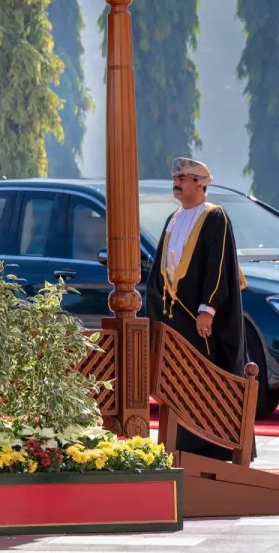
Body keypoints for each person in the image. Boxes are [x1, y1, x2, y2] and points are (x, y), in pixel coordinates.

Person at [146, 157, 249, 460]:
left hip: (199, 323)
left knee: (203, 384)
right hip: (174, 321)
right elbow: (161, 270)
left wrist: (208, 309)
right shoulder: (174, 218)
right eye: (175, 178)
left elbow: (218, 266)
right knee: (177, 384)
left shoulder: (215, 216)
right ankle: (179, 448)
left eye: (183, 178)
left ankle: (209, 449)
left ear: (201, 183)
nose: (176, 183)